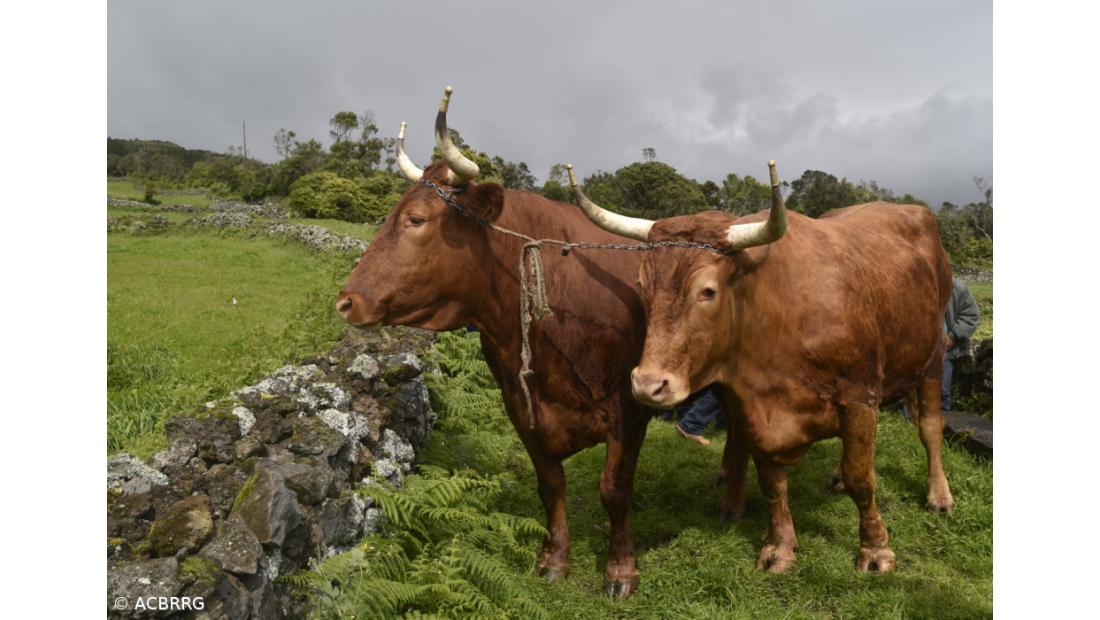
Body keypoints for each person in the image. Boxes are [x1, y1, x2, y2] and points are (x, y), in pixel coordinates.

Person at [942, 277, 981, 411]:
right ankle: (910, 420)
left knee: (940, 390)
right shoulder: (917, 286)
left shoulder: (957, 288)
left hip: (948, 348)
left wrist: (952, 338)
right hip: (923, 348)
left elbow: (972, 316)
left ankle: (941, 418)